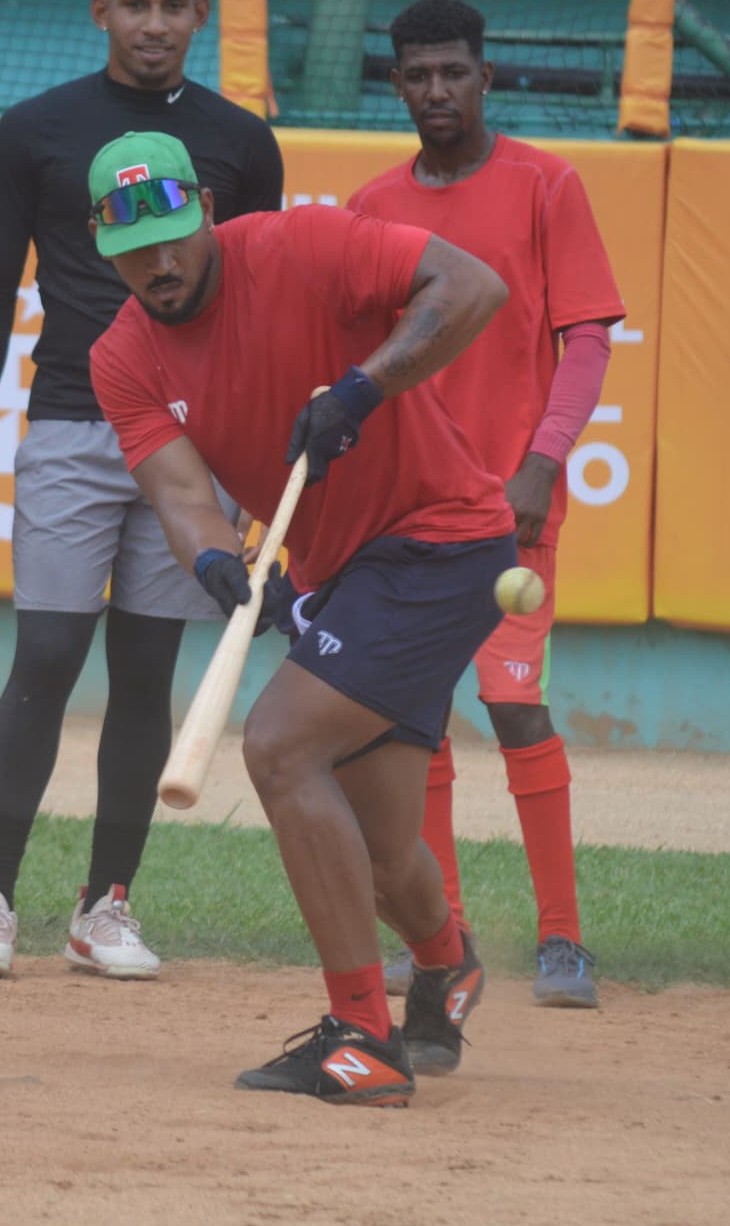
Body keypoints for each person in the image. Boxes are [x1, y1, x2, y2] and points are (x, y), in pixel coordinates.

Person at [87, 129, 515, 1107]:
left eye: (172, 232)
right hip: (344, 573)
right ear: (98, 244)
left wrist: (365, 387)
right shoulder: (122, 357)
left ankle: (363, 1036)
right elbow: (180, 489)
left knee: (280, 748)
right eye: (134, 243)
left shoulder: (300, 244)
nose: (159, 260)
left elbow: (472, 286)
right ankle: (445, 966)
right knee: (375, 845)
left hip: (440, 537)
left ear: (201, 208)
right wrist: (217, 561)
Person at [0, 0, 284, 981]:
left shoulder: (243, 141)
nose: (152, 23)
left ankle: (104, 909)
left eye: (172, 3)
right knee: (45, 655)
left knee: (146, 670)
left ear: (200, 13)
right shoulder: (36, 129)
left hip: (191, 447)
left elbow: (258, 314)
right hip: (73, 426)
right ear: (99, 11)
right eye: (131, 2)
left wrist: (254, 473)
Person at [349, 0, 624, 1010]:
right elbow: (364, 361)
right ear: (397, 84)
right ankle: (448, 939)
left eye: (453, 72)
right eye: (418, 75)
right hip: (407, 514)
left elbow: (586, 336)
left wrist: (543, 463)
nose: (436, 91)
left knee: (514, 707)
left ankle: (562, 940)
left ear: (486, 76)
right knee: (410, 723)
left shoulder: (547, 185)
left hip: (511, 506)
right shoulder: (373, 206)